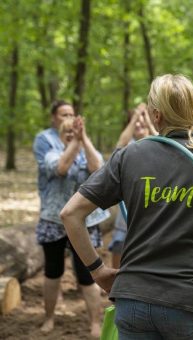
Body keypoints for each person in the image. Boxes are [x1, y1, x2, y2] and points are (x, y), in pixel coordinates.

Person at [60, 74, 193, 340]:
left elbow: (70, 214)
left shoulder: (128, 156)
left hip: (133, 299)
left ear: (156, 115)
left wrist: (98, 270)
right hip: (190, 300)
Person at [35, 115, 110, 337]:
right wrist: (75, 142)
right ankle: (49, 318)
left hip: (85, 223)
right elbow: (61, 168)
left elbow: (98, 168)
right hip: (53, 221)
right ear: (60, 136)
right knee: (53, 272)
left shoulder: (90, 152)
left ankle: (95, 323)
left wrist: (83, 139)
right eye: (67, 132)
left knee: (87, 275)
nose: (71, 135)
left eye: (74, 131)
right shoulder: (52, 154)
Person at [109, 103, 156, 269]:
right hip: (128, 204)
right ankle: (114, 280)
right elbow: (119, 146)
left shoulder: (158, 142)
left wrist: (148, 123)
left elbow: (167, 144)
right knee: (120, 243)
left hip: (154, 203)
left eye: (142, 121)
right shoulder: (129, 144)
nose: (138, 124)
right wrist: (135, 117)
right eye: (135, 122)